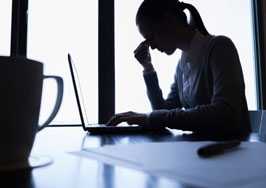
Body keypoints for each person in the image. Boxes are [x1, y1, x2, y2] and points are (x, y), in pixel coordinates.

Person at [107, 0, 251, 138]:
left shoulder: (219, 47)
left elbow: (224, 113)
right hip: (203, 153)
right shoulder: (181, 67)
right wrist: (148, 68)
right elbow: (162, 112)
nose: (152, 47)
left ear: (169, 21)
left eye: (151, 38)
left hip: (230, 154)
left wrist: (151, 118)